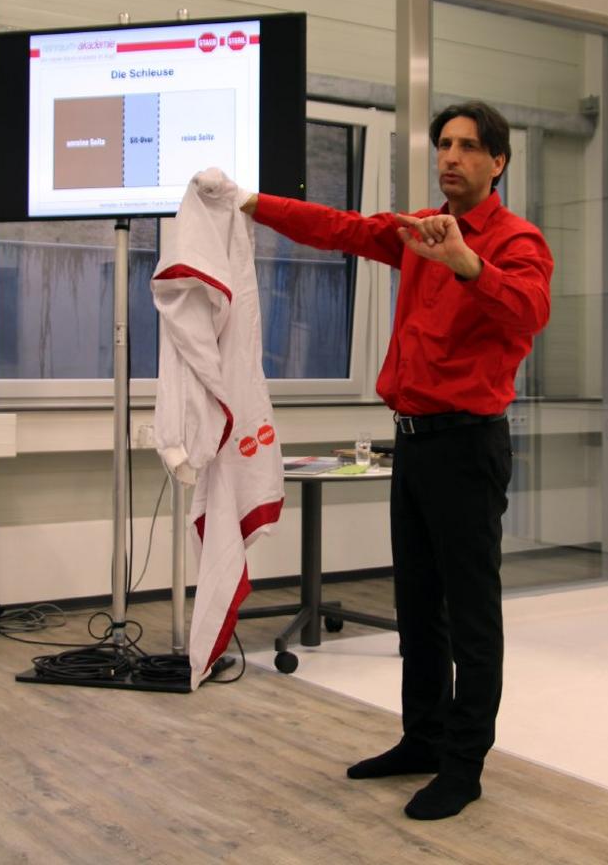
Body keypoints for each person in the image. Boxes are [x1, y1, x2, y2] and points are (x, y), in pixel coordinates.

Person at [213, 100, 553, 820]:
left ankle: (463, 765)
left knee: (470, 616)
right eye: (443, 144)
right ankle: (422, 740)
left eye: (467, 146)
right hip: (414, 443)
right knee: (417, 606)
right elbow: (339, 228)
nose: (450, 157)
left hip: (468, 446)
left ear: (498, 162)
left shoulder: (515, 240)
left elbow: (529, 311)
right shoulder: (419, 230)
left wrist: (466, 263)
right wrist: (249, 201)